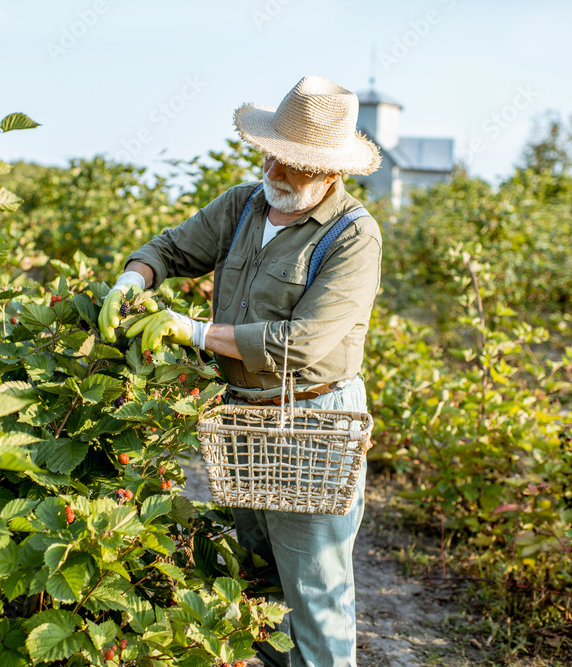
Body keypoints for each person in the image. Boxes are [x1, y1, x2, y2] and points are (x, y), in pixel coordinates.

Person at [98, 75, 383, 667]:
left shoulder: (353, 236)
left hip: (312, 422)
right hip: (240, 418)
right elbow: (171, 249)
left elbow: (301, 344)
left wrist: (195, 332)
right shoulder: (244, 205)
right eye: (273, 152)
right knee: (259, 580)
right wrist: (134, 277)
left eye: (297, 164)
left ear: (332, 171)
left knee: (315, 587)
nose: (277, 169)